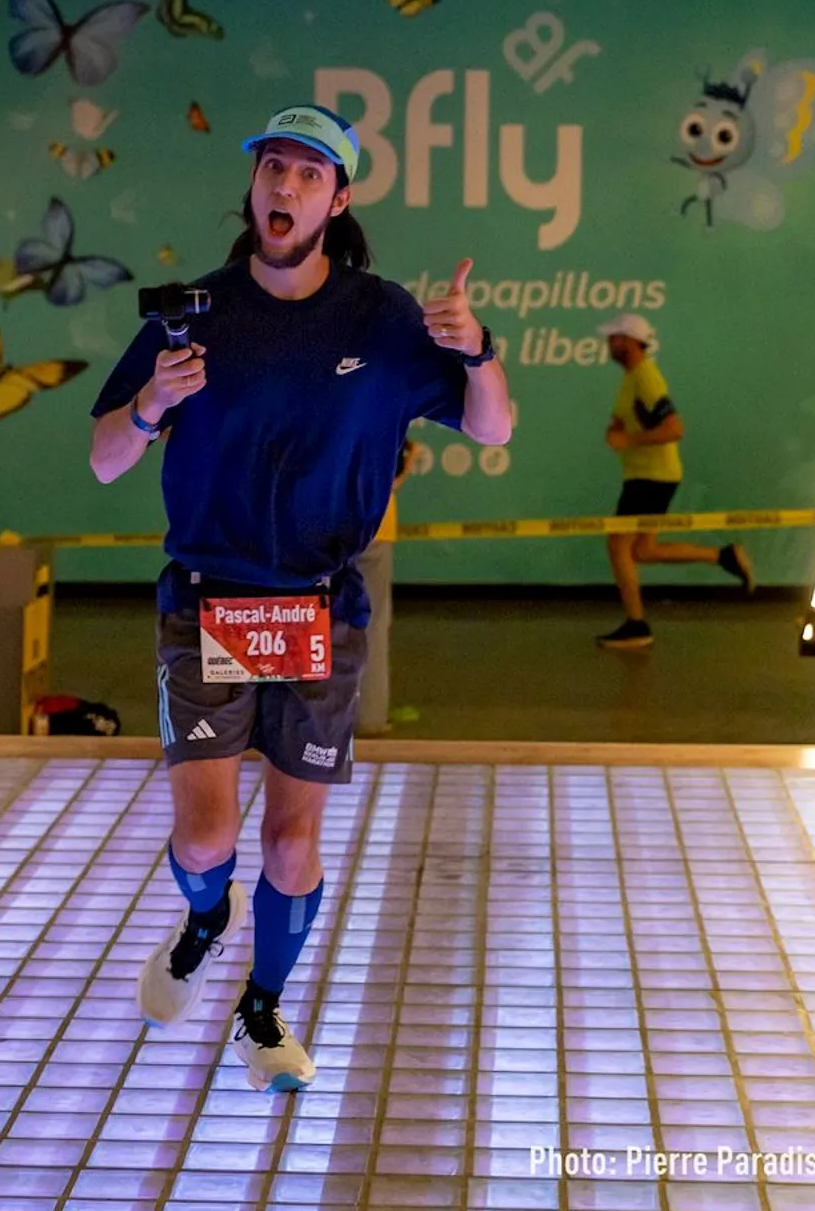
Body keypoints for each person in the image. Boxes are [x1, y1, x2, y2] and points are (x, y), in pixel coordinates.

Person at [88, 104, 513, 1093]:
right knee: (208, 838)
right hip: (205, 599)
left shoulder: (384, 317)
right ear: (253, 187)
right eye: (272, 166)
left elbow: (491, 429)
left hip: (320, 608)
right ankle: (203, 919)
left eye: (309, 173)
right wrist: (151, 403)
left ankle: (263, 1001)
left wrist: (480, 350)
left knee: (289, 843)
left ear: (339, 198)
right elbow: (108, 457)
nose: (285, 186)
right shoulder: (192, 312)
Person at [596, 313, 753, 650]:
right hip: (647, 475)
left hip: (650, 477)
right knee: (644, 549)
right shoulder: (631, 380)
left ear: (630, 341)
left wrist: (629, 442)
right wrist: (618, 432)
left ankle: (636, 625)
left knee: (617, 545)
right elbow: (629, 424)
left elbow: (674, 429)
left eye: (614, 338)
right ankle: (724, 557)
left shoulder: (646, 379)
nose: (609, 344)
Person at [353, 438, 416, 737]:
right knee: (374, 625)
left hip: (327, 529)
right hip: (376, 528)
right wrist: (412, 458)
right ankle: (371, 716)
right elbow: (393, 479)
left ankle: (320, 717)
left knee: (319, 623)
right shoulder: (388, 417)